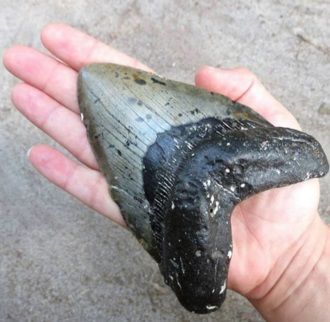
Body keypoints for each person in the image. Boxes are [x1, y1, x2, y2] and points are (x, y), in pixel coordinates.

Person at [3, 24, 329, 321]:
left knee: (200, 285)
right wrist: (298, 264)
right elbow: (306, 154)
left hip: (188, 165)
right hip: (183, 164)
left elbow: (301, 156)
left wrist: (298, 262)